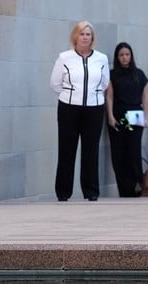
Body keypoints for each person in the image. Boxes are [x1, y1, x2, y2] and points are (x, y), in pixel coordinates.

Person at [50, 20, 109, 201]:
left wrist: (93, 96)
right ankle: (63, 192)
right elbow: (55, 83)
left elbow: (105, 82)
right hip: (69, 108)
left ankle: (91, 192)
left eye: (88, 34)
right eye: (82, 34)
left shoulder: (101, 58)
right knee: (67, 150)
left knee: (91, 151)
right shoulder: (64, 57)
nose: (85, 37)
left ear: (92, 38)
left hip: (94, 108)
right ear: (75, 36)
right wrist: (71, 96)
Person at [105, 42, 148, 197]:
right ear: (117, 57)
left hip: (135, 119)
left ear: (131, 56)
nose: (124, 58)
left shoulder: (139, 74)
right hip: (117, 118)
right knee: (118, 154)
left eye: (127, 54)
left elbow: (145, 96)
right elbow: (109, 96)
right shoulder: (111, 74)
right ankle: (123, 190)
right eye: (121, 55)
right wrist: (110, 116)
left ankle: (137, 186)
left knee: (134, 152)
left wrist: (145, 117)